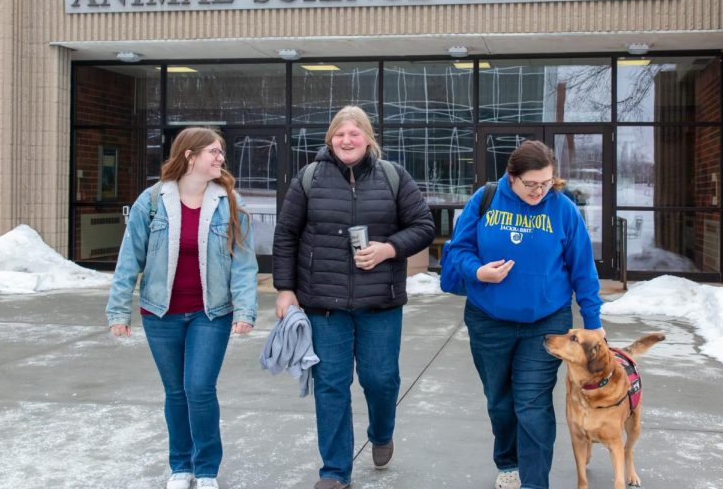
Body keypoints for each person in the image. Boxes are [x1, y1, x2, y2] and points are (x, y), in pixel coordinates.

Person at [272, 105, 435, 489]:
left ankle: (381, 432)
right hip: (323, 305)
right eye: (340, 134)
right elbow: (286, 235)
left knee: (380, 380)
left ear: (368, 138)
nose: (347, 140)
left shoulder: (393, 177)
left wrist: (388, 249)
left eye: (354, 134)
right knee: (330, 384)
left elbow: (423, 225)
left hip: (380, 302)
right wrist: (285, 289)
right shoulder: (309, 178)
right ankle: (334, 471)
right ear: (331, 139)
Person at [444, 140, 604, 489]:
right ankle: (509, 462)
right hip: (489, 320)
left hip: (546, 323)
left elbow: (583, 270)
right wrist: (478, 271)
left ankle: (534, 483)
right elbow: (457, 252)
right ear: (511, 177)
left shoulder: (562, 210)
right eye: (531, 184)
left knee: (531, 404)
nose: (538, 191)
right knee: (500, 401)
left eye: (546, 183)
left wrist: (593, 322)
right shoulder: (484, 200)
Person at [106, 127, 258, 489]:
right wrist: (118, 311)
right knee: (175, 392)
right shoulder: (153, 201)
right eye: (213, 151)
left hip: (211, 313)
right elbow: (130, 259)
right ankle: (180, 466)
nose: (220, 157)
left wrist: (244, 311)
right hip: (161, 314)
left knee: (199, 387)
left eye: (221, 152)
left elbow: (244, 263)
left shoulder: (231, 203)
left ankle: (206, 469)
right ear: (189, 156)